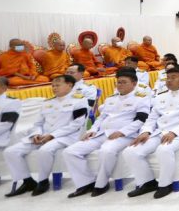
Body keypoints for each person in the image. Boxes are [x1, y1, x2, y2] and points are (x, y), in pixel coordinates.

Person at [62, 68, 151, 197]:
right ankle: (86, 183)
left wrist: (122, 132)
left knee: (106, 151)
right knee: (70, 151)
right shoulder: (111, 98)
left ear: (134, 83)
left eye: (124, 82)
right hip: (102, 134)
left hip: (124, 136)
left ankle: (101, 184)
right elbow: (101, 117)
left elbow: (141, 120)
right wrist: (92, 130)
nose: (120, 85)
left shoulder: (141, 98)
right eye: (118, 82)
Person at [126, 64, 179, 199]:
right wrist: (145, 131)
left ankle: (165, 184)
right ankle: (147, 182)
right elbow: (152, 118)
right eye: (167, 77)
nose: (168, 80)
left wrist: (174, 132)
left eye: (173, 77)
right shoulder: (161, 96)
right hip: (160, 132)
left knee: (163, 149)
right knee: (131, 151)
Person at [4, 75, 87, 197]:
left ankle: (43, 182)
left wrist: (52, 135)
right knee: (10, 151)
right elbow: (38, 123)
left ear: (69, 85)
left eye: (58, 85)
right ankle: (28, 181)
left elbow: (76, 124)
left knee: (45, 150)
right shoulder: (47, 102)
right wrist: (36, 134)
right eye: (52, 85)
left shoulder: (79, 101)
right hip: (42, 137)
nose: (54, 88)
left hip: (65, 137)